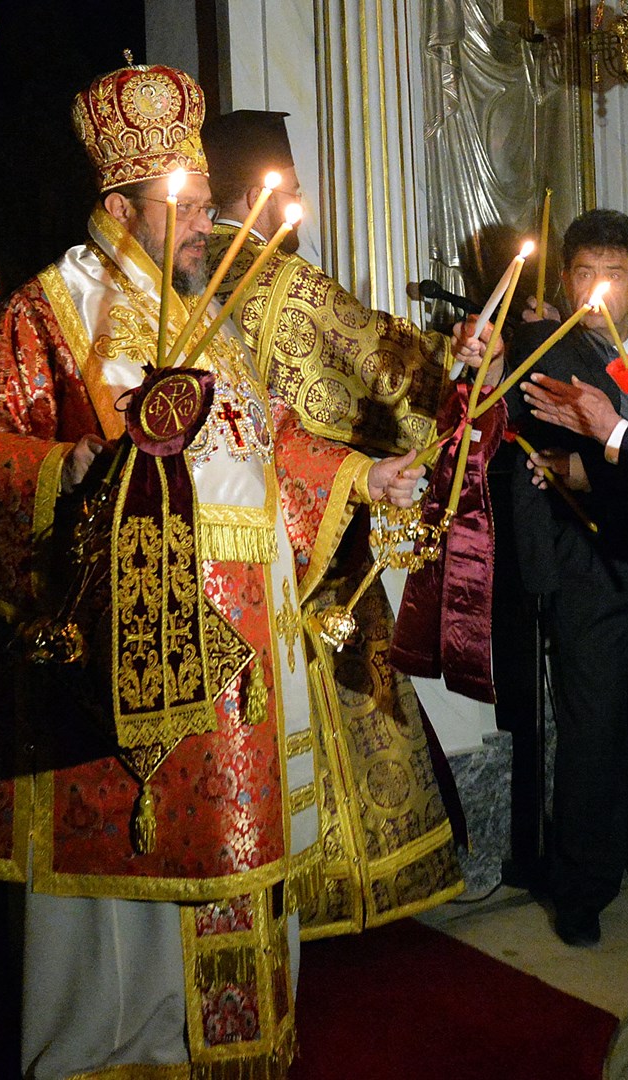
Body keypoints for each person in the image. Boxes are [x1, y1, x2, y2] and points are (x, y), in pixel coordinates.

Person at [0, 62, 427, 1079]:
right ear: (124, 204)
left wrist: (362, 473)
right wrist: (62, 467)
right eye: (191, 207)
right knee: (127, 874)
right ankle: (115, 1058)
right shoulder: (54, 306)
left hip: (244, 654)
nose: (209, 223)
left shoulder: (209, 322)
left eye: (208, 204)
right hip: (128, 647)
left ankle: (234, 1047)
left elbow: (269, 444)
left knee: (237, 858)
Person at [199, 109, 465, 936]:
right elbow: (395, 373)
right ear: (259, 193)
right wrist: (461, 355)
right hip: (326, 537)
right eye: (293, 193)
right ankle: (343, 884)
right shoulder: (290, 283)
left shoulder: (182, 282)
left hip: (230, 542)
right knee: (349, 712)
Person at [470, 204, 628, 946]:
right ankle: (584, 881)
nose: (597, 290)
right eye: (583, 274)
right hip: (588, 562)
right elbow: (499, 407)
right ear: (565, 281)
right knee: (593, 722)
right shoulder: (541, 346)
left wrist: (603, 451)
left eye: (613, 274)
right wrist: (481, 366)